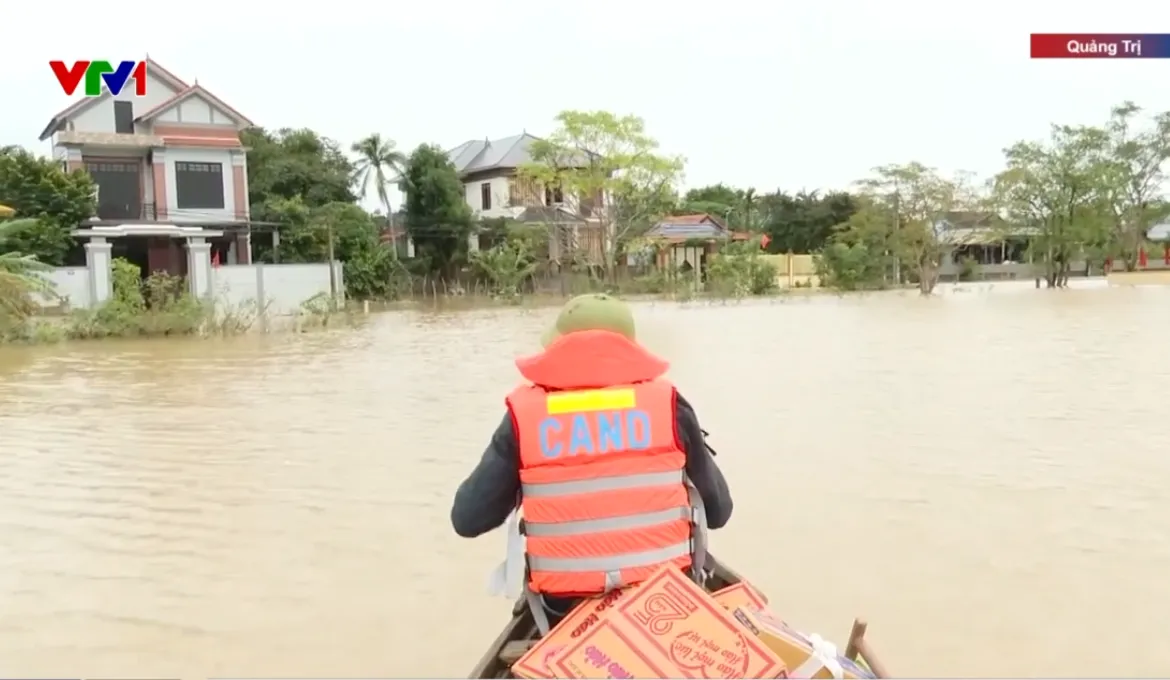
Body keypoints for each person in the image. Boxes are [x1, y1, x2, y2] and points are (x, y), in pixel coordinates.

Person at [450, 293, 733, 630]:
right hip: (664, 604)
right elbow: (719, 512)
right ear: (629, 350)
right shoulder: (669, 407)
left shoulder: (524, 418)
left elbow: (467, 519)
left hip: (563, 612)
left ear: (557, 348)